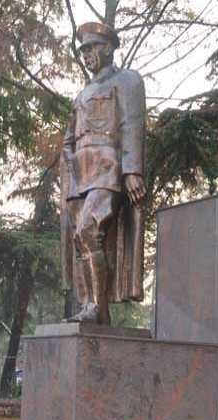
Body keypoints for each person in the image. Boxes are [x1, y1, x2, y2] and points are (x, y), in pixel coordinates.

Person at [60, 21, 146, 324]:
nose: (87, 54)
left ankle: (98, 308)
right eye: (83, 50)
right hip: (79, 174)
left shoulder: (127, 81)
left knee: (88, 231)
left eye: (92, 47)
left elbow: (132, 125)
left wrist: (132, 170)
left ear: (108, 48)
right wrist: (68, 165)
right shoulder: (81, 95)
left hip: (108, 168)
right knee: (78, 241)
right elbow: (69, 137)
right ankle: (90, 307)